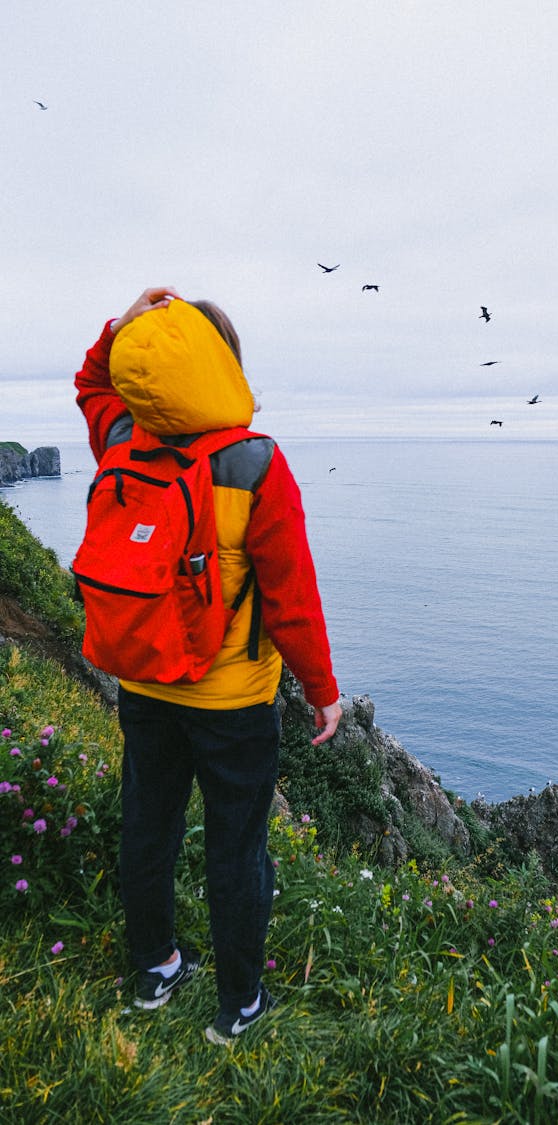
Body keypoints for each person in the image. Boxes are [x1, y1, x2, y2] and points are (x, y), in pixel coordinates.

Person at [75, 286, 342, 1044]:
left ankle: (156, 967)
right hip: (232, 704)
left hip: (143, 683)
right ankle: (238, 1004)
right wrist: (323, 692)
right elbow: (291, 599)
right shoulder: (256, 463)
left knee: (148, 826)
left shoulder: (123, 438)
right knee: (236, 847)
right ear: (224, 365)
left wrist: (125, 323)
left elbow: (91, 381)